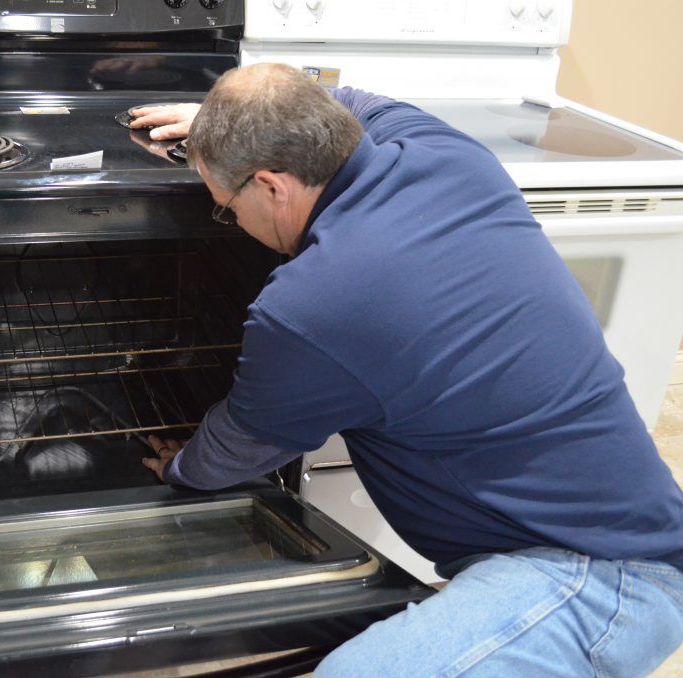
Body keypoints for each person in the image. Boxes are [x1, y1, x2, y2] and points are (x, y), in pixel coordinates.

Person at [131, 63, 683, 676]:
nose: (233, 222)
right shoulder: (446, 153)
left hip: (596, 580)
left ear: (271, 185)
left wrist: (178, 468)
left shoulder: (311, 306)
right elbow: (354, 99)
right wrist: (222, 124)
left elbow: (237, 447)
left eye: (226, 207)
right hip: (619, 529)